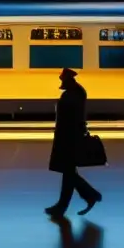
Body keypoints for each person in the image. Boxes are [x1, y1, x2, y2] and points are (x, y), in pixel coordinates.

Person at [46, 67, 102, 217]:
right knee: (68, 172)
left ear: (67, 80)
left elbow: (69, 119)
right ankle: (64, 205)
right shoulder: (75, 92)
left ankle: (89, 196)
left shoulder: (72, 95)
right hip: (70, 137)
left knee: (69, 172)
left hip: (69, 139)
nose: (61, 82)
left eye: (62, 79)